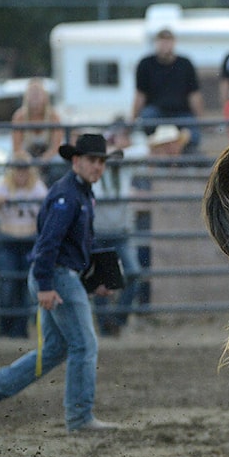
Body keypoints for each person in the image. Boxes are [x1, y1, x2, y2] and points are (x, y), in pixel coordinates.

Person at [0, 133, 124, 433]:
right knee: (84, 344)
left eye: (101, 161)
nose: (98, 167)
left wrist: (89, 284)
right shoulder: (69, 196)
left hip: (57, 275)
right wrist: (44, 285)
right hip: (56, 276)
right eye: (93, 160)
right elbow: (48, 244)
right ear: (76, 161)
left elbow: (65, 245)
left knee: (55, 349)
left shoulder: (76, 193)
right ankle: (79, 418)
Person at [0, 154, 48, 338]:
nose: (21, 173)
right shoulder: (3, 185)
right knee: (7, 285)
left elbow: (47, 212)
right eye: (17, 169)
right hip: (9, 240)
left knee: (26, 287)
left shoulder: (37, 187)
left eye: (24, 169)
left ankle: (20, 331)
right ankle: (4, 330)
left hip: (29, 241)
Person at [92, 121, 143, 337]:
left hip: (120, 232)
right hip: (100, 233)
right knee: (103, 281)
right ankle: (107, 327)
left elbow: (143, 149)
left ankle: (118, 319)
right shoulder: (96, 168)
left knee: (133, 273)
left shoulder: (124, 166)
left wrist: (118, 149)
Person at [133, 28, 203, 153]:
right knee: (147, 117)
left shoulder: (185, 64)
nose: (165, 45)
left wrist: (201, 119)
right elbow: (140, 95)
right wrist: (132, 120)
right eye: (162, 41)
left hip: (181, 113)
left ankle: (178, 153)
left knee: (194, 135)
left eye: (168, 41)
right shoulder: (145, 64)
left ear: (174, 43)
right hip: (156, 113)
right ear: (156, 43)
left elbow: (194, 95)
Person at [11, 77, 65, 185]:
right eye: (32, 93)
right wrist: (29, 161)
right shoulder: (19, 117)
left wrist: (42, 160)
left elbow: (56, 147)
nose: (35, 97)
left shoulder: (53, 116)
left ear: (45, 96)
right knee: (13, 164)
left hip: (48, 155)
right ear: (26, 97)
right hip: (26, 155)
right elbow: (16, 147)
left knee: (58, 165)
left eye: (38, 93)